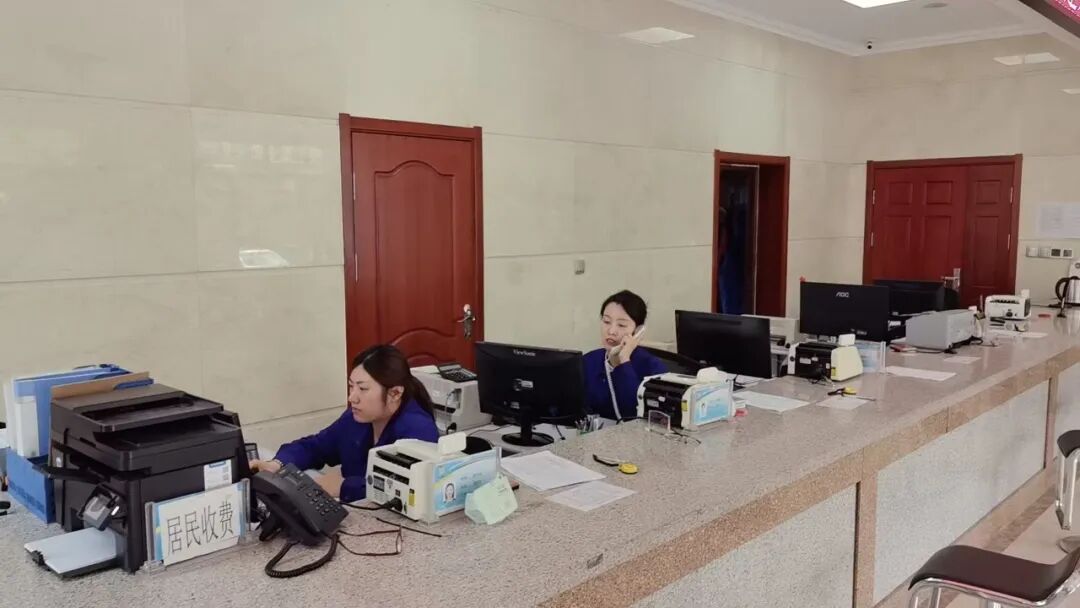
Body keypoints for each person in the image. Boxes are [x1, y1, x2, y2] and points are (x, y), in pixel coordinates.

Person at [249, 345, 439, 502]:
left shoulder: (418, 429)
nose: (352, 398)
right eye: (351, 386)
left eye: (362, 389)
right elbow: (315, 446)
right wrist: (277, 464)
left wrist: (343, 486)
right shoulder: (356, 418)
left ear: (395, 393)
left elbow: (407, 489)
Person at [583, 290, 667, 421]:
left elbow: (637, 414)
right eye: (606, 321)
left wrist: (624, 361)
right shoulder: (588, 361)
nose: (611, 331)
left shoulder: (653, 367)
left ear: (638, 331)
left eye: (621, 325)